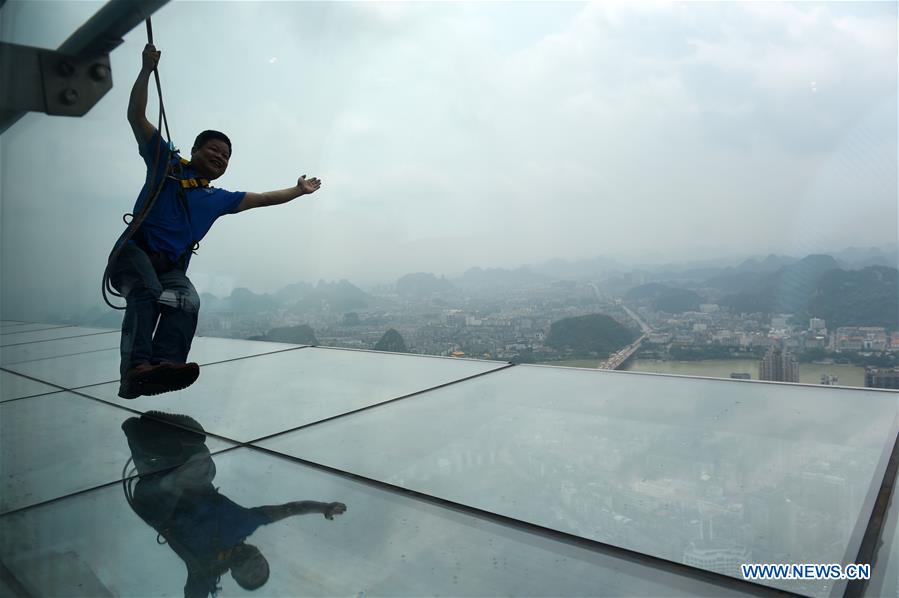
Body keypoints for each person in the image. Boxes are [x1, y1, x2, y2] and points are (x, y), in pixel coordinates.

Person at [110, 43, 322, 399]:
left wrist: (298, 190)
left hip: (171, 266)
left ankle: (164, 366)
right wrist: (146, 69)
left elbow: (265, 198)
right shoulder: (167, 165)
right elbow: (136, 116)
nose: (221, 158)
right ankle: (135, 370)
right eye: (214, 150)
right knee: (146, 292)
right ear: (195, 150)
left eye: (226, 156)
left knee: (187, 301)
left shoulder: (217, 198)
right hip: (135, 252)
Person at [123, 412, 347, 597]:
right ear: (259, 552)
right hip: (180, 483)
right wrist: (324, 507)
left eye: (251, 575)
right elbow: (290, 509)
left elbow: (195, 594)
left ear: (235, 574)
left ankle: (143, 438)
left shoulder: (206, 568)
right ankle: (161, 440)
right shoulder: (246, 524)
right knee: (201, 464)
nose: (254, 567)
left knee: (185, 473)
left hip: (155, 503)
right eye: (261, 567)